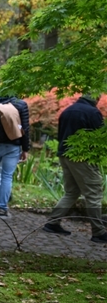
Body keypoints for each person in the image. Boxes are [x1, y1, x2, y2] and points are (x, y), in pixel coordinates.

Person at [43, 95, 106, 244]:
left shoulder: (67, 110)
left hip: (64, 154)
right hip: (82, 157)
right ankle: (98, 232)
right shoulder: (93, 113)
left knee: (72, 192)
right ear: (96, 98)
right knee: (94, 193)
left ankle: (53, 222)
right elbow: (100, 137)